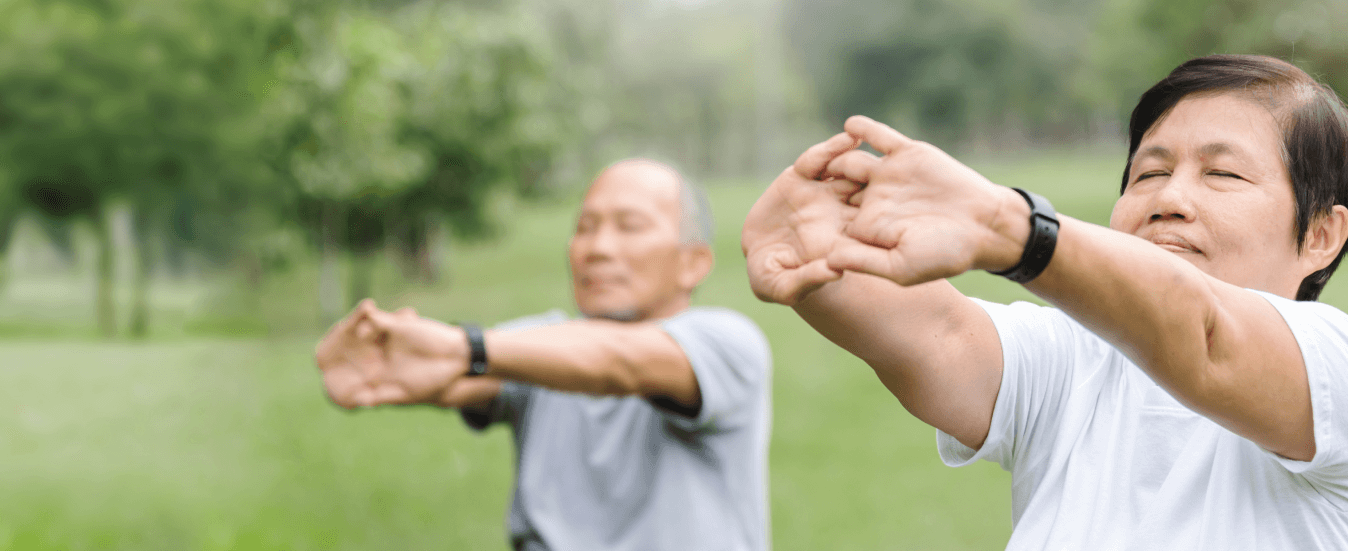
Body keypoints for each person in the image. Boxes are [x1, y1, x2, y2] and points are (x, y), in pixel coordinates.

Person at [742, 54, 1348, 549]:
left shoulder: (1332, 371)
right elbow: (940, 335)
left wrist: (1013, 229)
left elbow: (1207, 338)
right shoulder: (1076, 358)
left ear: (1321, 236)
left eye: (1223, 175)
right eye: (1148, 174)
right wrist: (818, 256)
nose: (1171, 198)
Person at [319, 159, 773, 551]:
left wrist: (466, 347)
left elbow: (623, 363)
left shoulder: (728, 342)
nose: (598, 249)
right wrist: (380, 365)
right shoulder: (536, 344)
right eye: (585, 228)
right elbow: (455, 373)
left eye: (629, 226)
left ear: (693, 262)